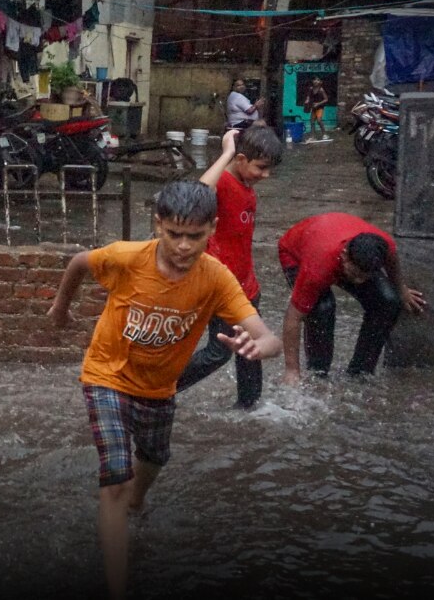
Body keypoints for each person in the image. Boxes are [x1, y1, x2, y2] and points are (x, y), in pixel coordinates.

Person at [47, 180, 282, 600]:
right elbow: (80, 262)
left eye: (195, 236)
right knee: (116, 479)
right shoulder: (126, 257)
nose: (184, 247)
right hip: (107, 373)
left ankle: (136, 504)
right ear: (157, 224)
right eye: (174, 234)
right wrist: (60, 307)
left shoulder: (216, 278)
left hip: (158, 387)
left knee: (153, 458)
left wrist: (257, 346)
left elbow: (270, 338)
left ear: (213, 228)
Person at [176, 126, 284, 408]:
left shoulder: (247, 187)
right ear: (241, 159)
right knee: (219, 351)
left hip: (246, 283)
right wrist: (226, 152)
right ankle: (161, 390)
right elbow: (198, 194)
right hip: (222, 284)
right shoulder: (223, 181)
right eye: (261, 167)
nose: (266, 175)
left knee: (251, 348)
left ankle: (250, 406)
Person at [278, 212, 426, 383]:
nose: (358, 281)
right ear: (345, 255)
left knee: (388, 302)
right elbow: (293, 317)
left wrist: (401, 290)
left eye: (364, 276)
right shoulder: (317, 269)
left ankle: (360, 372)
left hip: (338, 243)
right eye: (354, 274)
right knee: (322, 309)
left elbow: (392, 261)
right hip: (296, 252)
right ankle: (318, 373)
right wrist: (292, 370)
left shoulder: (384, 246)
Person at [303, 76, 330, 141]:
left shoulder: (321, 90)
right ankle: (313, 136)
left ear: (320, 82)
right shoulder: (311, 89)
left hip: (320, 107)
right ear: (313, 81)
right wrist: (307, 100)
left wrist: (318, 103)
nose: (315, 81)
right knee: (312, 121)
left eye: (317, 80)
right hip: (313, 107)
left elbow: (326, 99)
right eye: (314, 80)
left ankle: (324, 135)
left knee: (319, 120)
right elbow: (308, 96)